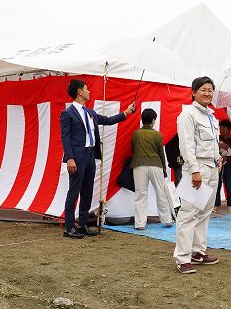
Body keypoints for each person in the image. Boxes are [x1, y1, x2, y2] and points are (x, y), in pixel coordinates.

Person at [60, 79, 135, 239]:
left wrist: (126, 113)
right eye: (86, 89)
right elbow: (65, 137)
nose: (88, 91)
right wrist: (70, 158)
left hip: (90, 156)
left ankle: (82, 225)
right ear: (79, 91)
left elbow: (108, 120)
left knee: (87, 192)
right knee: (73, 192)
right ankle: (68, 227)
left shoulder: (90, 113)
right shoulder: (67, 113)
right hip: (77, 158)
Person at [174, 77, 222, 274]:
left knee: (204, 212)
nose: (207, 93)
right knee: (188, 214)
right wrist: (194, 170)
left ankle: (198, 252)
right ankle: (182, 258)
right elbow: (186, 145)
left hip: (212, 169)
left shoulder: (211, 116)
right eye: (203, 89)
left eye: (210, 90)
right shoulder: (187, 114)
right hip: (197, 169)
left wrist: (218, 157)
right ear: (193, 92)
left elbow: (212, 143)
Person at [131, 108, 174, 230]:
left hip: (139, 164)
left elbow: (133, 150)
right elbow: (161, 153)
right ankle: (167, 220)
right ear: (153, 120)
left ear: (142, 120)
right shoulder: (157, 134)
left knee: (140, 194)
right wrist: (164, 169)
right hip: (156, 165)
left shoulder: (136, 133)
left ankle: (139, 223)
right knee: (161, 193)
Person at [215, 119, 231, 211]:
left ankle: (230, 204)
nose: (222, 129)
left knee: (228, 184)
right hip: (218, 165)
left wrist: (226, 158)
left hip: (229, 165)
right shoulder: (217, 138)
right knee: (217, 184)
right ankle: (216, 204)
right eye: (220, 127)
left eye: (224, 127)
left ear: (229, 129)